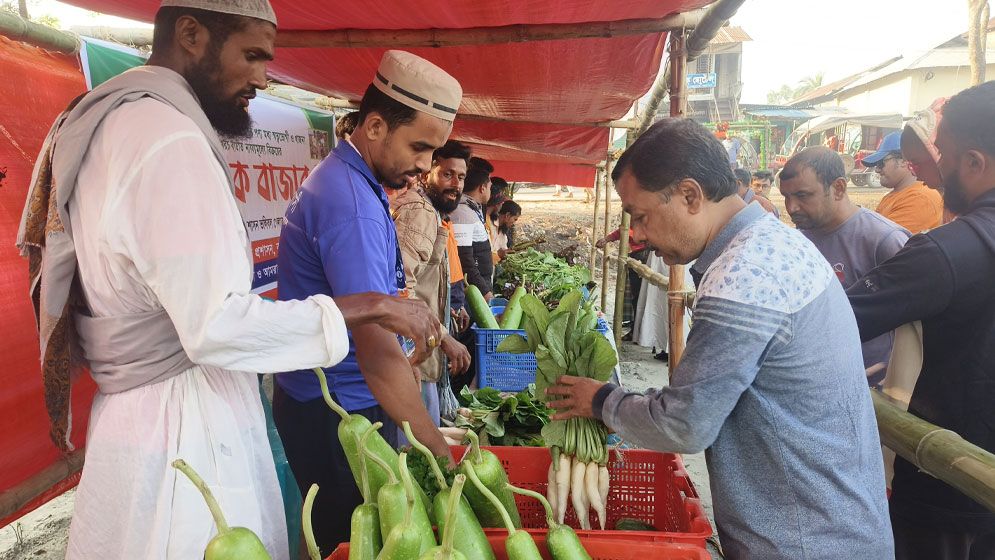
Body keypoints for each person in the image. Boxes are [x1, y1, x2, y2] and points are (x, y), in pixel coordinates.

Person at [14, 4, 441, 559]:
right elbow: (216, 323)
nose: (264, 78)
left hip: (141, 420)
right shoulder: (169, 140)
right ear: (190, 35)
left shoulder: (120, 118)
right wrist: (370, 307)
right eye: (253, 55)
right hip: (185, 426)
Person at [545, 118, 893, 559]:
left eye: (642, 215)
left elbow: (684, 424)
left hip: (804, 541)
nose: (637, 234)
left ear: (690, 195)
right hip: (837, 527)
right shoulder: (774, 243)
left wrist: (602, 401)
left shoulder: (743, 277)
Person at [273, 49, 461, 554]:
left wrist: (433, 330)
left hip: (322, 401)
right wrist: (440, 453)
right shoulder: (353, 205)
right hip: (339, 411)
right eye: (420, 148)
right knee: (352, 542)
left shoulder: (351, 178)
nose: (425, 166)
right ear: (375, 126)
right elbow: (376, 355)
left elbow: (381, 296)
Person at [847, 81, 995, 560]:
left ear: (974, 163)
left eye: (945, 153)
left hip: (950, 485)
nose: (937, 169)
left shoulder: (945, 252)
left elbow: (833, 323)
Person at [779, 147, 910, 385]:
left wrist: (893, 373)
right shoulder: (799, 239)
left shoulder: (884, 240)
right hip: (817, 378)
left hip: (872, 385)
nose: (791, 207)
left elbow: (918, 319)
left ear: (838, 188)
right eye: (786, 197)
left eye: (803, 195)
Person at [392, 140, 473, 424]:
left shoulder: (431, 210)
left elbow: (425, 277)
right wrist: (444, 337)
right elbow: (400, 289)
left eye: (461, 177)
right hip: (415, 354)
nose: (456, 184)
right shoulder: (421, 212)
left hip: (421, 348)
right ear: (428, 173)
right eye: (447, 174)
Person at [862, 131, 944, 233]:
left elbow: (882, 243)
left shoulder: (919, 198)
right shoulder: (894, 196)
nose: (877, 170)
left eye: (881, 163)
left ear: (904, 160)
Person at [452, 156, 494, 300]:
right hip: (473, 293)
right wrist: (485, 292)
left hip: (478, 288)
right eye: (490, 187)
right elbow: (464, 260)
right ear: (482, 187)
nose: (490, 191)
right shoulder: (462, 213)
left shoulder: (472, 209)